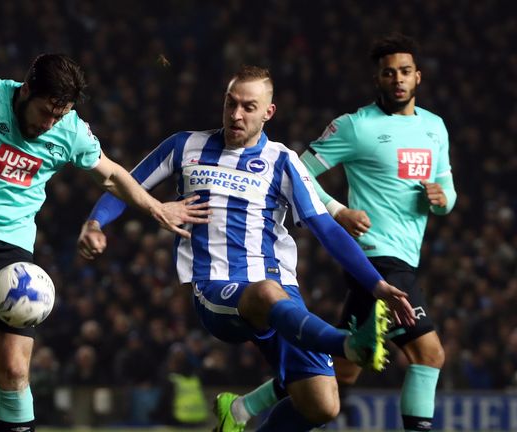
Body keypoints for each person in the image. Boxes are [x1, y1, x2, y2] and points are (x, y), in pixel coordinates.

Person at [0, 53, 207, 432]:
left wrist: (155, 208)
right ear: (26, 90)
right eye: (46, 111)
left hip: (10, 250)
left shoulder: (71, 130)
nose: (50, 123)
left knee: (14, 371)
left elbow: (111, 175)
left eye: (58, 115)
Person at [78, 65, 416, 432]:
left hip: (280, 295)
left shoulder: (283, 161)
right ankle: (350, 345)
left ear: (268, 112)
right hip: (216, 288)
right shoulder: (184, 145)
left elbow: (327, 229)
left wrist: (377, 285)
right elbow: (124, 184)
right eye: (230, 104)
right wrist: (96, 223)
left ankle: (237, 414)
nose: (236, 115)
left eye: (249, 107)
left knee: (321, 405)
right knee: (267, 294)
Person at [225, 34, 456, 432]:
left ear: (418, 76)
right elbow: (300, 170)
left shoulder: (435, 128)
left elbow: (447, 191)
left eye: (404, 72)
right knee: (429, 355)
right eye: (388, 73)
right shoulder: (356, 126)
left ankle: (242, 409)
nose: (397, 79)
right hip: (374, 257)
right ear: (377, 79)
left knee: (344, 371)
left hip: (405, 255)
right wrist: (339, 210)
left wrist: (442, 198)